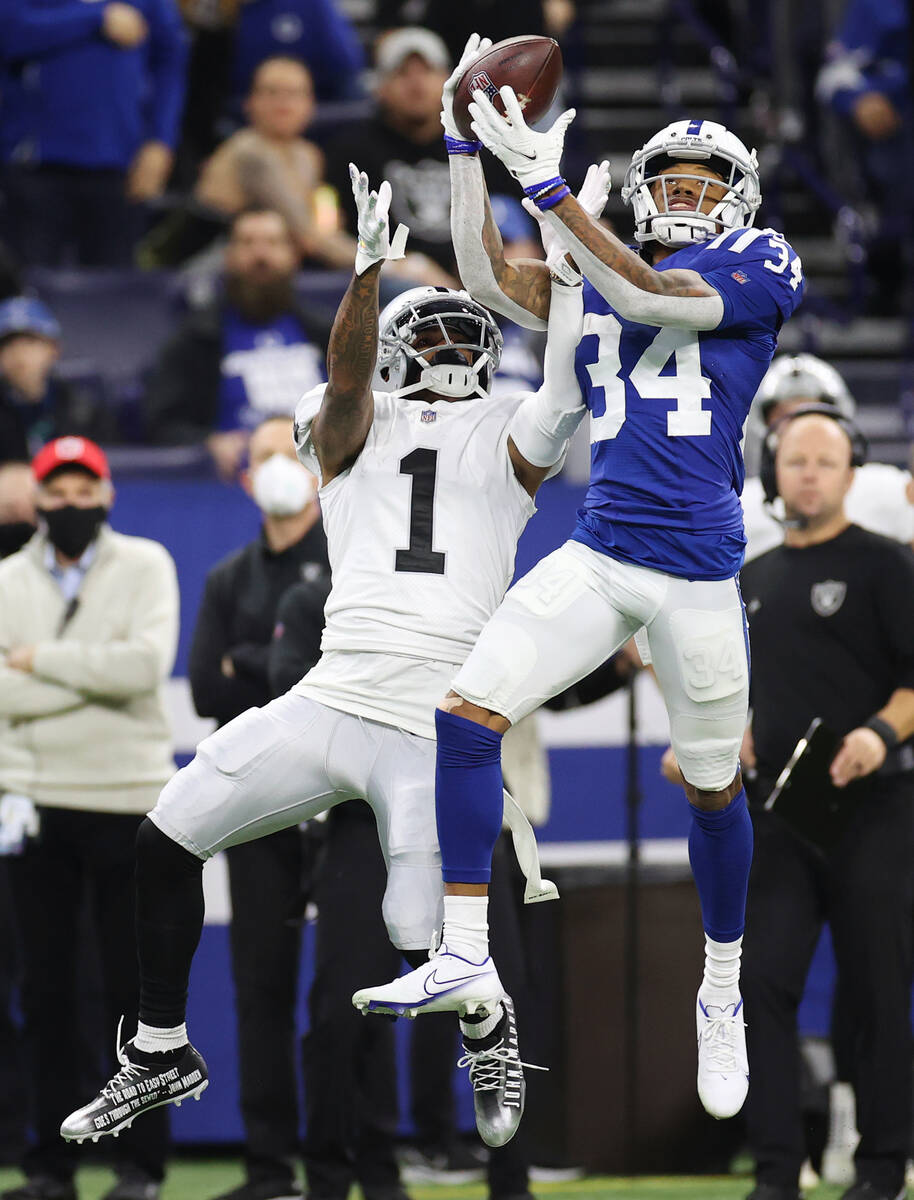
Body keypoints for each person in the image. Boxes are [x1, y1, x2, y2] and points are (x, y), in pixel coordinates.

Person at [59, 160, 585, 1153]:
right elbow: (344, 390)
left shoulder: (506, 432)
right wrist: (363, 276)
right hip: (336, 690)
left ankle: (488, 1023)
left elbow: (560, 391)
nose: (443, 347)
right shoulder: (349, 412)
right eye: (422, 332)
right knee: (164, 836)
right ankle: (162, 1046)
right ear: (390, 347)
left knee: (417, 935)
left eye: (460, 333)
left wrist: (557, 292)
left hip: (437, 722)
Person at [353, 34, 805, 1124]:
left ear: (736, 198)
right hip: (602, 556)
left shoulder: (760, 260)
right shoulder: (589, 266)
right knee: (466, 716)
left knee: (709, 789)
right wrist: (469, 147)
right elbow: (482, 275)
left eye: (705, 185)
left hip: (698, 580)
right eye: (670, 184)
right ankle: (464, 951)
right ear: (645, 194)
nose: (687, 199)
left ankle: (720, 986)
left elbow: (656, 299)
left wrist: (548, 189)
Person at [736, 407, 914, 1200]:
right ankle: (777, 1171)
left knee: (877, 988)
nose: (808, 472)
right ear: (773, 469)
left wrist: (881, 732)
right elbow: (747, 694)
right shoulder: (754, 577)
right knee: (761, 985)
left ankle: (881, 1167)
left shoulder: (886, 565)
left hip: (872, 806)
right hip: (779, 812)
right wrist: (722, 739)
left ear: (852, 473)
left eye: (825, 460)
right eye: (795, 459)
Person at [0, 436, 179, 1200]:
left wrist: (36, 660)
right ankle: (51, 1166)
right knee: (45, 992)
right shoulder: (5, 578)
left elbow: (145, 668)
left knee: (133, 996)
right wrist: (93, 671)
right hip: (36, 805)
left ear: (107, 494)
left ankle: (139, 1167)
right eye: (57, 493)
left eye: (84, 492)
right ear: (35, 501)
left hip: (129, 804)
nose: (70, 506)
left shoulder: (147, 564)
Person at [187, 415, 327, 1200]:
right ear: (246, 476)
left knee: (346, 987)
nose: (278, 469)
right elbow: (210, 687)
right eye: (264, 457)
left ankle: (344, 1163)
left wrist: (261, 666)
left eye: (290, 454)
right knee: (260, 989)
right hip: (258, 809)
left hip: (341, 805)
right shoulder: (227, 578)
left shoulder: (351, 565)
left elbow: (320, 681)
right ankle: (269, 1170)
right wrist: (276, 672)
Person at [144, 207, 330, 480]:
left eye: (272, 243)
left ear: (294, 256)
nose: (260, 255)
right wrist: (206, 442)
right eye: (247, 243)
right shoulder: (195, 340)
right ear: (228, 256)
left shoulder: (328, 335)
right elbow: (161, 423)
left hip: (324, 478)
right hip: (234, 484)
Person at [0, 0, 188, 267]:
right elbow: (9, 33)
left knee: (113, 291)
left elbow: (171, 63)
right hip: (35, 162)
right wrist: (97, 17)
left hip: (120, 165)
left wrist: (161, 141)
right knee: (29, 291)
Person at [741, 354, 914, 561]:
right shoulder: (741, 507)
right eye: (784, 417)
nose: (801, 428)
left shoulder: (885, 487)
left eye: (811, 414)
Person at [195, 57, 355, 270]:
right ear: (250, 103)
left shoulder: (309, 154)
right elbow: (307, 234)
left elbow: (324, 227)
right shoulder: (250, 151)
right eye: (271, 92)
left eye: (294, 94)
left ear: (311, 104)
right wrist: (389, 264)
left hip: (284, 264)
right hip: (217, 265)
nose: (283, 102)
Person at [0, 297, 112, 464]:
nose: (19, 353)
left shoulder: (83, 411)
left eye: (30, 342)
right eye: (8, 344)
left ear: (54, 349)